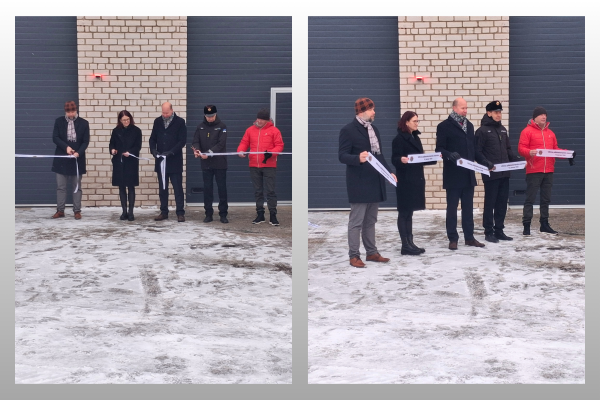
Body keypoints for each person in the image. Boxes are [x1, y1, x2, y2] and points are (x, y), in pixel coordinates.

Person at [338, 98, 397, 268]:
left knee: (370, 221)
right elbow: (342, 155)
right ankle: (354, 255)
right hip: (358, 183)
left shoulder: (373, 129)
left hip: (374, 181)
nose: (374, 112)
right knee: (356, 222)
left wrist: (389, 172)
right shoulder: (348, 130)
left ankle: (371, 252)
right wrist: (357, 158)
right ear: (361, 111)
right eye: (371, 109)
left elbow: (379, 155)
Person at [435, 97, 493, 250]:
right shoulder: (444, 126)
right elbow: (439, 149)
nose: (465, 111)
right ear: (454, 108)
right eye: (462, 108)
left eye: (466, 108)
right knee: (452, 209)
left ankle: (469, 237)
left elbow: (473, 150)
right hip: (453, 175)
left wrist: (484, 161)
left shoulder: (470, 126)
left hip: (468, 175)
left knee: (468, 209)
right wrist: (449, 154)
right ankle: (453, 238)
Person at [517, 106, 576, 236]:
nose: (544, 117)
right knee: (530, 199)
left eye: (545, 115)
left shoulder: (551, 133)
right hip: (534, 170)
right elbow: (521, 148)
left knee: (546, 199)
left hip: (548, 170)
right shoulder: (527, 131)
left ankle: (544, 224)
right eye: (541, 115)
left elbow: (555, 150)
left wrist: (568, 154)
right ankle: (526, 225)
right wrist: (529, 152)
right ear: (535, 117)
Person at [391, 111, 437, 255]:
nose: (417, 123)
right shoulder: (399, 139)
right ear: (406, 122)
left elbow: (419, 158)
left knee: (409, 213)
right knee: (404, 212)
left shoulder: (415, 137)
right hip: (405, 181)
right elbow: (394, 159)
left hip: (415, 180)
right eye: (414, 121)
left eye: (418, 121)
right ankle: (405, 245)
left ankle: (410, 242)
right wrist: (401, 160)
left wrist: (435, 157)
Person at [475, 101, 521, 242]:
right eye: (496, 112)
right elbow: (477, 152)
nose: (498, 115)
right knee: (490, 203)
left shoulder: (502, 130)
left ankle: (499, 230)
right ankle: (488, 231)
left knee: (501, 203)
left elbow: (507, 149)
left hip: (504, 173)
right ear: (489, 113)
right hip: (491, 173)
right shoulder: (482, 131)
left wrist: (515, 159)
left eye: (500, 112)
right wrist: (486, 163)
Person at [237, 108, 284, 226]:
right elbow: (244, 142)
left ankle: (273, 215)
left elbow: (279, 145)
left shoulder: (274, 131)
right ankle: (260, 214)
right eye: (258, 119)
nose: (259, 121)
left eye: (262, 119)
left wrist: (271, 153)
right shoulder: (250, 130)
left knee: (270, 191)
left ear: (267, 120)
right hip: (254, 164)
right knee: (258, 191)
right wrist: (241, 150)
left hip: (269, 165)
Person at [51, 101, 90, 220]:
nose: (71, 114)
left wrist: (78, 152)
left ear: (76, 110)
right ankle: (60, 210)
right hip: (62, 159)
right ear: (65, 112)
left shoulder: (84, 123)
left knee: (76, 187)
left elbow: (85, 141)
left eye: (73, 111)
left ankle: (77, 211)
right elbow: (55, 138)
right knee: (61, 187)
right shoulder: (59, 121)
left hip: (77, 159)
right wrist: (66, 148)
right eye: (68, 112)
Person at [149, 102, 187, 222]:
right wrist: (153, 150)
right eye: (163, 112)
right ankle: (164, 211)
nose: (165, 115)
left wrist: (171, 152)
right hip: (161, 161)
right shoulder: (157, 122)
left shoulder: (180, 122)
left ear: (172, 110)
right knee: (163, 188)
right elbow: (152, 139)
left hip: (174, 161)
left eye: (167, 113)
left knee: (177, 188)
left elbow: (182, 141)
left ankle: (180, 212)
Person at [192, 105, 229, 223]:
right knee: (207, 189)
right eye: (208, 116)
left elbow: (221, 144)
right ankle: (208, 213)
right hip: (206, 163)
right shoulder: (200, 127)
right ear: (205, 116)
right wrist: (197, 150)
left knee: (222, 189)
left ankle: (223, 214)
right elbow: (195, 141)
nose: (210, 118)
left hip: (220, 163)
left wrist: (208, 153)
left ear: (216, 114)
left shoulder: (222, 126)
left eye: (212, 116)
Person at [109, 110, 142, 221]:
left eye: (127, 119)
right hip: (119, 161)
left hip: (131, 162)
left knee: (131, 186)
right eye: (124, 120)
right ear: (120, 120)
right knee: (121, 186)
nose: (126, 121)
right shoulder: (116, 131)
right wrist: (112, 150)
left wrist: (130, 152)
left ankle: (131, 212)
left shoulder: (136, 131)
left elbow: (138, 146)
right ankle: (124, 211)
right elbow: (112, 143)